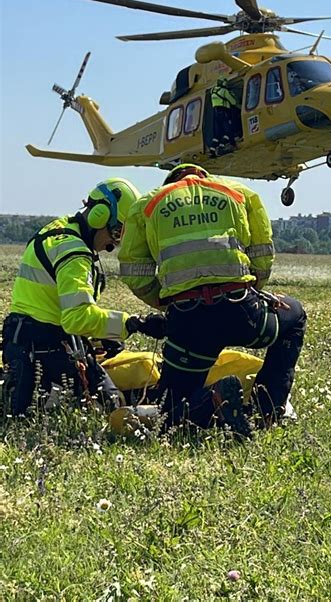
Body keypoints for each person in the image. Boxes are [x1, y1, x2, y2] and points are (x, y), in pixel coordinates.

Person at [118, 164, 306, 434]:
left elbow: (134, 270)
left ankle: (216, 396)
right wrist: (256, 289)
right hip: (241, 311)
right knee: (295, 315)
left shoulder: (147, 205)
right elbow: (263, 253)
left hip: (188, 322)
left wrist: (163, 304)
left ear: (169, 183)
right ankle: (267, 412)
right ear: (204, 176)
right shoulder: (240, 193)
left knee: (171, 416)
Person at [1, 178, 166, 416]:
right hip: (46, 347)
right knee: (108, 405)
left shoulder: (57, 231)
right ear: (99, 216)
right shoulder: (74, 253)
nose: (114, 243)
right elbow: (77, 317)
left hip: (28, 340)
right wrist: (133, 323)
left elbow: (59, 307)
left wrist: (102, 335)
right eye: (117, 232)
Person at [209, 77, 239, 155]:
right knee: (229, 130)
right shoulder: (224, 91)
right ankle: (229, 146)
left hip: (216, 113)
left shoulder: (213, 91)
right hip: (224, 112)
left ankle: (212, 151)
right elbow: (233, 102)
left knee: (218, 133)